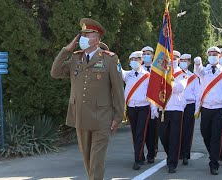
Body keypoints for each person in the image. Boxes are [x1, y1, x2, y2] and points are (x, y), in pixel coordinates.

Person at [50, 18, 125, 179]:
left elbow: (118, 90)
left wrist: (118, 117)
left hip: (102, 118)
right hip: (81, 117)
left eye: (87, 34)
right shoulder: (76, 58)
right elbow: (55, 73)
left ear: (97, 38)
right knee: (88, 161)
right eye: (82, 34)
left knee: (96, 162)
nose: (83, 37)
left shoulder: (109, 59)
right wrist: (66, 50)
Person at [194, 47, 222, 175]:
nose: (212, 56)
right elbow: (198, 71)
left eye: (215, 54)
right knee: (205, 134)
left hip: (219, 109)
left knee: (216, 137)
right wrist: (197, 63)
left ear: (219, 56)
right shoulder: (204, 71)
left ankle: (214, 163)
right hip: (206, 108)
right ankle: (214, 153)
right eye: (210, 54)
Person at [121, 51, 158, 170]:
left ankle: (137, 159)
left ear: (141, 61)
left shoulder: (147, 76)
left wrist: (153, 109)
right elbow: (118, 71)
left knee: (140, 132)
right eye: (131, 60)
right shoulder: (127, 75)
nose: (133, 62)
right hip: (132, 107)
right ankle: (140, 155)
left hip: (144, 107)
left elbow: (152, 94)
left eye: (136, 59)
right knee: (134, 132)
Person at [158, 50, 187, 173]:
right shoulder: (161, 72)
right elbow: (155, 90)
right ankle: (171, 154)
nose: (173, 60)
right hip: (163, 108)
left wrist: (166, 83)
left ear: (179, 60)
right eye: (171, 58)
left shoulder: (182, 73)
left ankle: (172, 163)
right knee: (163, 136)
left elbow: (180, 88)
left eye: (175, 58)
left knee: (174, 136)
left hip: (176, 108)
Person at [179, 53, 200, 166]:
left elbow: (197, 94)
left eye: (186, 61)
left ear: (190, 62)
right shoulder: (175, 75)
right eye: (181, 60)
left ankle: (186, 154)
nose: (183, 62)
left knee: (187, 131)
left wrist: (197, 109)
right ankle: (178, 152)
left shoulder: (194, 77)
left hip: (189, 105)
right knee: (177, 130)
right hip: (177, 105)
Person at [141, 46, 158, 164]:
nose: (146, 56)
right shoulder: (139, 69)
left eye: (148, 54)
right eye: (144, 54)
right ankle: (140, 154)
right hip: (141, 104)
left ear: (152, 55)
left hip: (154, 104)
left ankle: (152, 153)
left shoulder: (157, 70)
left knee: (153, 131)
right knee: (142, 131)